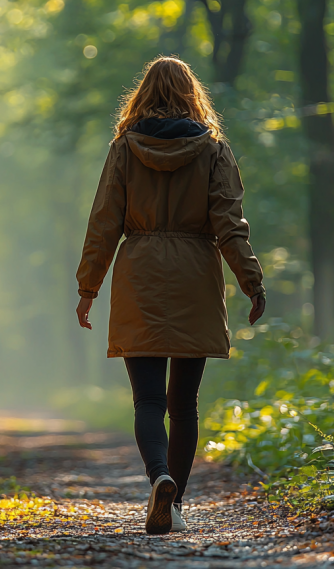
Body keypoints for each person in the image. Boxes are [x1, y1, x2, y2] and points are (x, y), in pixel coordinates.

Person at [74, 56, 266, 535]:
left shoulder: (124, 149)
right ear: (191, 93)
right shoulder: (214, 150)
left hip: (139, 276)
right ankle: (174, 503)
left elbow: (103, 223)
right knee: (184, 406)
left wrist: (88, 288)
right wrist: (251, 281)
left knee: (147, 403)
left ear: (142, 94)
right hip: (195, 279)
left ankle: (158, 477)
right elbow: (229, 223)